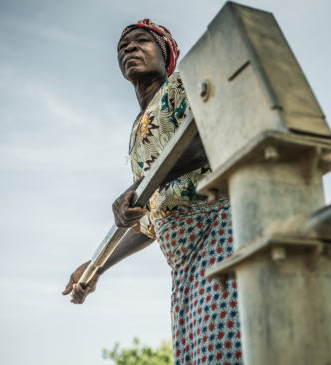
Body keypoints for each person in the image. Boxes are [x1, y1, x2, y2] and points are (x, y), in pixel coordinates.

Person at [62, 19, 242, 365]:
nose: (130, 48)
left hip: (216, 234)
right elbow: (149, 220)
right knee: (195, 356)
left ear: (166, 53)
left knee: (224, 350)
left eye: (142, 41)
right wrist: (98, 266)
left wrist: (142, 185)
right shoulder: (136, 133)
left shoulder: (180, 86)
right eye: (123, 46)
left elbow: (214, 135)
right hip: (182, 263)